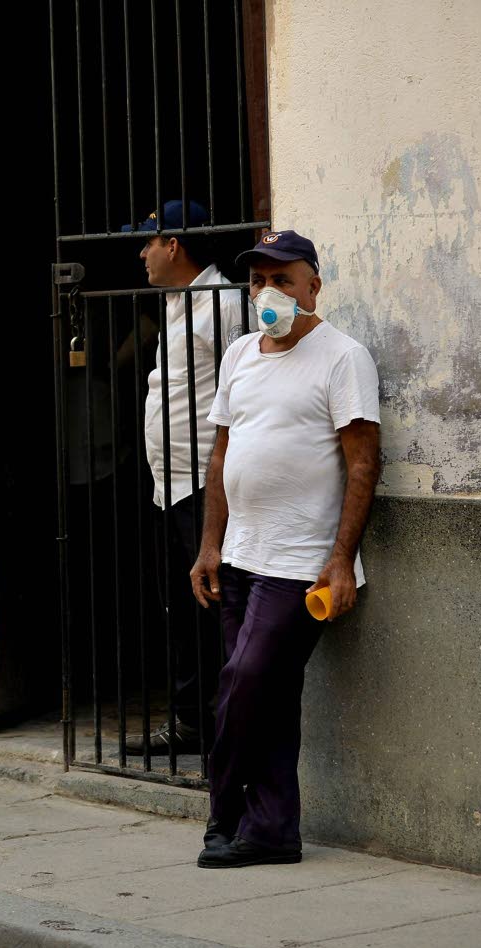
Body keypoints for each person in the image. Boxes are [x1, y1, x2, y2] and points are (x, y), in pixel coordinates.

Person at [191, 230, 381, 868]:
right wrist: (210, 545)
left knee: (243, 681)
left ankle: (222, 813)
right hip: (239, 555)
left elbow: (363, 464)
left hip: (300, 565)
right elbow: (222, 455)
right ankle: (272, 832)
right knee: (267, 696)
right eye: (258, 281)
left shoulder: (342, 357)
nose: (267, 292)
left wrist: (340, 560)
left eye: (282, 280)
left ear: (312, 287)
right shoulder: (241, 354)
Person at [120, 200, 245, 757]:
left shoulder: (221, 303)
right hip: (167, 482)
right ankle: (192, 721)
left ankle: (228, 726)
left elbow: (243, 386)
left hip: (203, 482)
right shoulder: (176, 303)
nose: (141, 254)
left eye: (148, 243)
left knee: (216, 606)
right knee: (181, 607)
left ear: (173, 245)